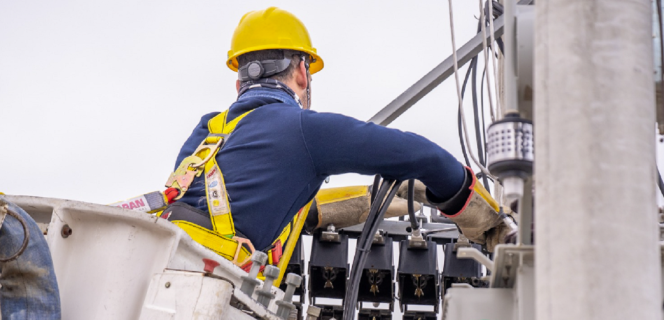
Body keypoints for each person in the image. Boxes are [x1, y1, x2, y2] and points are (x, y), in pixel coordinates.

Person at [161, 6, 508, 271]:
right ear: (302, 72)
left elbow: (232, 204)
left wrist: (326, 208)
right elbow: (425, 157)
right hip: (214, 300)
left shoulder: (207, 132)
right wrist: (484, 221)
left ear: (239, 84)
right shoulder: (303, 130)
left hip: (159, 285)